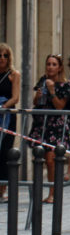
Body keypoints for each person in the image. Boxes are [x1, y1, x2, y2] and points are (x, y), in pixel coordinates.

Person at [29, 54, 70, 203]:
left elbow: (60, 106)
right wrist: (38, 95)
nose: (50, 67)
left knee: (51, 159)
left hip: (56, 126)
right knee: (39, 158)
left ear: (59, 67)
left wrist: (52, 90)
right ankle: (40, 191)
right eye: (48, 64)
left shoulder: (65, 85)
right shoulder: (42, 81)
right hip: (42, 124)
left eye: (54, 64)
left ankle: (53, 192)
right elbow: (36, 102)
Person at [0, 43, 21, 202]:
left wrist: (3, 107)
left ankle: (2, 190)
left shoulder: (14, 74)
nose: (2, 59)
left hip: (6, 116)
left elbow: (15, 97)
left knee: (5, 152)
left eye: (5, 55)